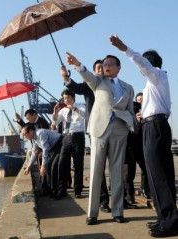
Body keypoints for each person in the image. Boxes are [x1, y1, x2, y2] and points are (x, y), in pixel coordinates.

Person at [110, 34, 178, 238]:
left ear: (151, 63)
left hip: (155, 127)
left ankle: (171, 221)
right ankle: (164, 218)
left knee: (160, 175)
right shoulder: (153, 84)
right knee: (156, 174)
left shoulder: (156, 74)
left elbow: (142, 62)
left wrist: (124, 48)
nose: (141, 70)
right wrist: (142, 114)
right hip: (152, 126)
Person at [65, 51, 135, 225]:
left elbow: (131, 110)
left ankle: (118, 211)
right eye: (104, 64)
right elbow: (87, 75)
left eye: (111, 63)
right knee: (96, 171)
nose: (106, 66)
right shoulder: (98, 81)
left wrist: (133, 124)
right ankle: (92, 213)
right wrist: (77, 64)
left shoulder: (128, 87)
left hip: (120, 130)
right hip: (99, 130)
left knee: (117, 171)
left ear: (119, 67)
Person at [61, 61, 112, 213]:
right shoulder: (89, 85)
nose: (100, 70)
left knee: (118, 166)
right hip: (96, 129)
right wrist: (66, 77)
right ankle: (103, 201)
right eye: (97, 68)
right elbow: (75, 87)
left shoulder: (113, 84)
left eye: (103, 68)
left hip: (114, 128)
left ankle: (121, 198)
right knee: (99, 166)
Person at [51, 89, 85, 199]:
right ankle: (62, 189)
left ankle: (78, 190)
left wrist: (74, 108)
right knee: (62, 163)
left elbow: (84, 115)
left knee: (78, 164)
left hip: (78, 136)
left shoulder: (81, 105)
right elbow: (55, 123)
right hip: (66, 137)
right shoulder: (63, 110)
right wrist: (55, 111)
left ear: (73, 97)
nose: (66, 100)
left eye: (68, 98)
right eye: (64, 98)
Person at [22, 124, 63, 197]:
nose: (25, 137)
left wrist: (43, 165)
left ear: (30, 131)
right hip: (53, 148)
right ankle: (49, 190)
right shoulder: (34, 139)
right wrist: (29, 166)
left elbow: (45, 148)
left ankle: (55, 191)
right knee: (49, 168)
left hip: (60, 144)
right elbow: (34, 153)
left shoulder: (40, 133)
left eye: (25, 134)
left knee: (52, 167)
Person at [134, 92, 151, 200]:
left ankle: (144, 188)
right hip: (134, 144)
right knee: (128, 171)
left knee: (145, 167)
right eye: (138, 100)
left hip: (145, 144)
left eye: (142, 100)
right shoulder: (133, 111)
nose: (140, 102)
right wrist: (137, 120)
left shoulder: (149, 111)